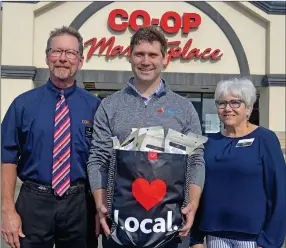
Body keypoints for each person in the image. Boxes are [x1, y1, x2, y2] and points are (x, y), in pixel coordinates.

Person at [87, 26, 205, 248]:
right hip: (122, 227)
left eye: (153, 55)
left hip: (170, 226)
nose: (145, 61)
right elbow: (98, 159)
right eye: (139, 54)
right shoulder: (109, 106)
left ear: (165, 58)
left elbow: (196, 160)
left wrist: (194, 204)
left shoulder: (184, 108)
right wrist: (101, 205)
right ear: (129, 57)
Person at [1, 26, 101, 248]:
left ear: (81, 60)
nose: (63, 59)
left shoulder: (95, 107)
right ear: (47, 57)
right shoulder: (23, 104)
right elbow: (6, 158)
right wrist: (7, 210)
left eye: (71, 53)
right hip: (34, 202)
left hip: (80, 204)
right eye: (57, 51)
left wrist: (99, 208)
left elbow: (102, 161)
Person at [190, 78, 286, 248]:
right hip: (214, 236)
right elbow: (199, 189)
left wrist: (269, 242)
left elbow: (278, 191)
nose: (228, 109)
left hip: (253, 239)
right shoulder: (209, 142)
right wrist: (196, 239)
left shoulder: (265, 139)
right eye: (222, 103)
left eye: (235, 103)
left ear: (248, 108)